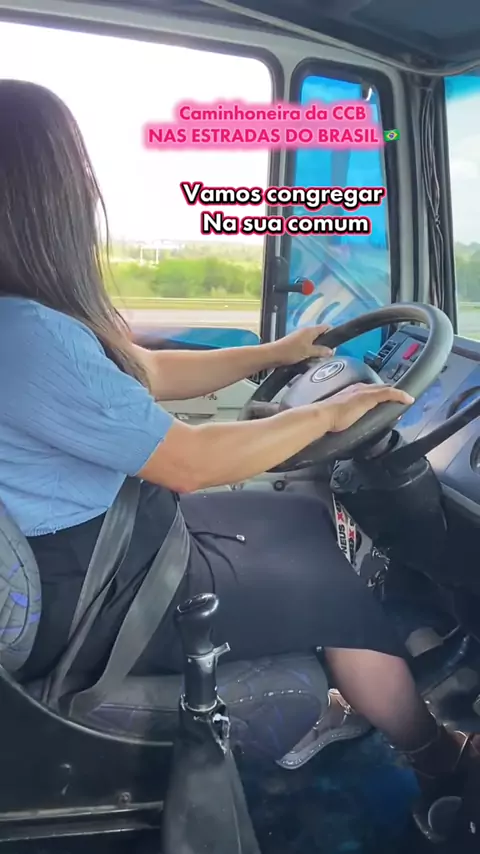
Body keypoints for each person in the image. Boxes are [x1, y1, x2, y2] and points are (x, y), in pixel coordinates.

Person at [0, 79, 477, 842]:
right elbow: (188, 462)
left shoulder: (29, 321)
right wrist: (325, 412)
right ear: (37, 195)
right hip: (92, 596)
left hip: (105, 545)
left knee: (300, 520)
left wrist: (276, 353)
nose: (89, 192)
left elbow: (148, 372)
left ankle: (360, 689)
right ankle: (436, 754)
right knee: (328, 581)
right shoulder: (26, 336)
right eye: (76, 171)